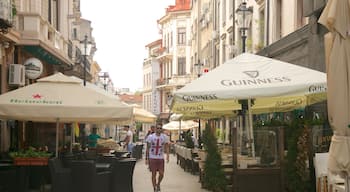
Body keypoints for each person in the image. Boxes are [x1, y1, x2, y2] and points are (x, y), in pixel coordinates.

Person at [145, 125, 170, 192]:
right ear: (155, 129)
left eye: (160, 128)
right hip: (152, 157)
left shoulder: (164, 137)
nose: (159, 129)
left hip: (160, 158)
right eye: (157, 128)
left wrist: (167, 156)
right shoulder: (151, 137)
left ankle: (158, 184)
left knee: (161, 173)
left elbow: (167, 146)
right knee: (153, 173)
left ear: (161, 129)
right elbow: (148, 148)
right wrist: (146, 158)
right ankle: (154, 188)